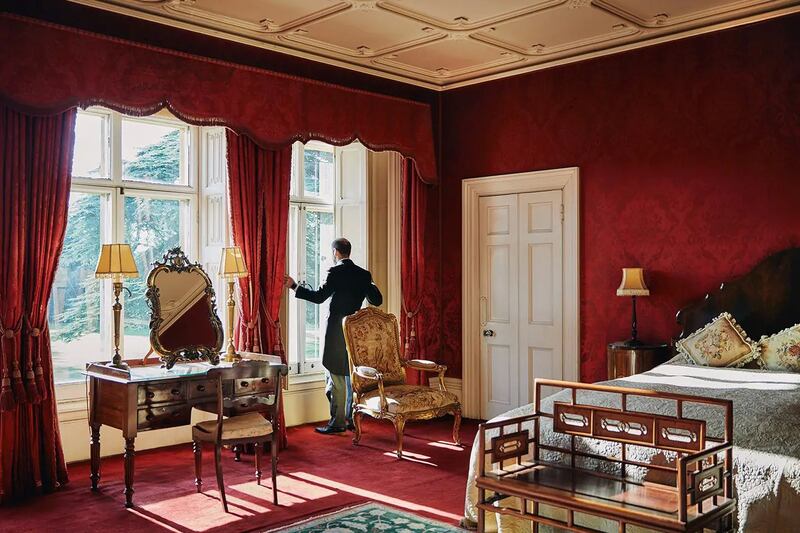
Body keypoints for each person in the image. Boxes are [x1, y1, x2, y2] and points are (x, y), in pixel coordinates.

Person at [285, 237, 382, 434]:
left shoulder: (334, 272)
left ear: (335, 252)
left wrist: (294, 286)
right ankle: (350, 419)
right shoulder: (364, 274)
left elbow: (319, 297)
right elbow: (377, 300)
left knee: (335, 375)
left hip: (336, 331)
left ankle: (337, 423)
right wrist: (369, 282)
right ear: (349, 251)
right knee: (351, 375)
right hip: (354, 332)